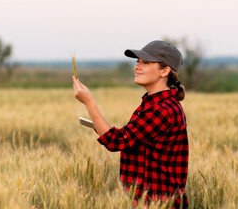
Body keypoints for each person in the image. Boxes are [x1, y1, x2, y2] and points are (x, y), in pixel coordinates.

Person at [72, 40, 189, 208]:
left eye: (146, 62)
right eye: (137, 61)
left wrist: (89, 103)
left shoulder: (161, 110)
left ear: (165, 71)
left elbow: (117, 141)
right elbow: (128, 139)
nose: (137, 66)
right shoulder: (153, 104)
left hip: (157, 203)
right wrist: (100, 127)